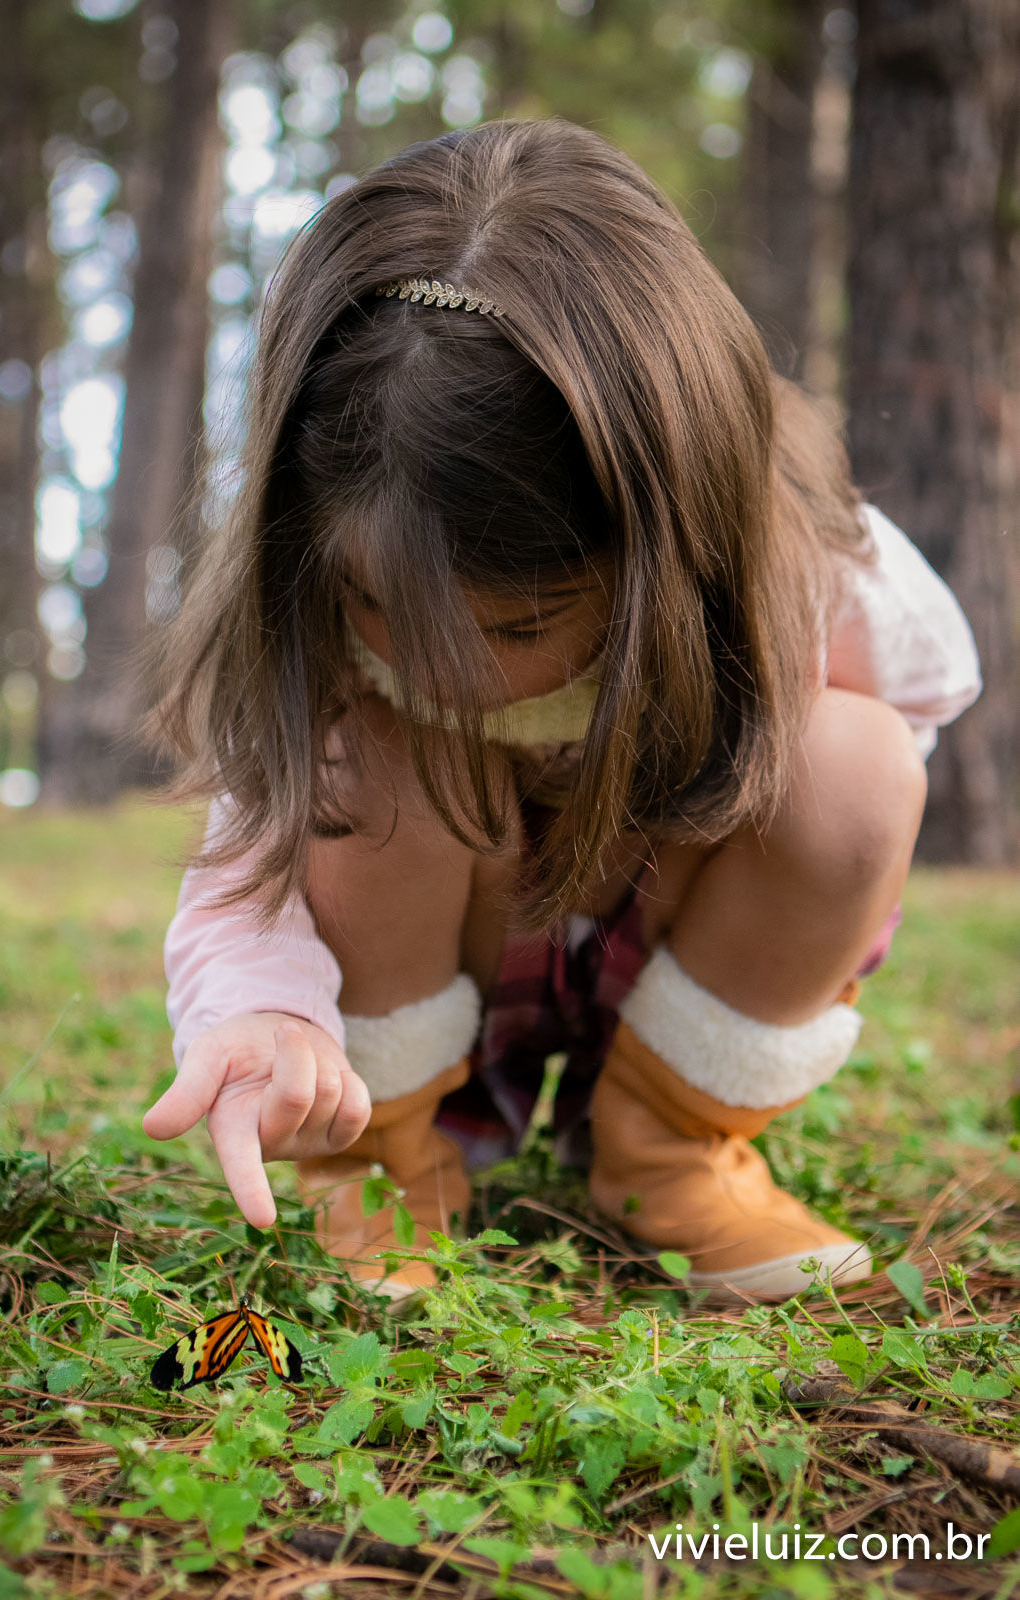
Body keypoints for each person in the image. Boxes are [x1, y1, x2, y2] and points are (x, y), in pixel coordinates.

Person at [143, 119, 981, 1305]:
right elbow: (255, 841)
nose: (447, 675)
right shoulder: (314, 608)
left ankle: (668, 1149)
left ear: (663, 548)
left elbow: (881, 786)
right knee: (364, 756)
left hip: (664, 959)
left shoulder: (815, 577)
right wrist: (261, 1010)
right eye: (371, 602)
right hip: (426, 988)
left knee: (855, 762)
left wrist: (707, 847)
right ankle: (378, 1160)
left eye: (518, 626)